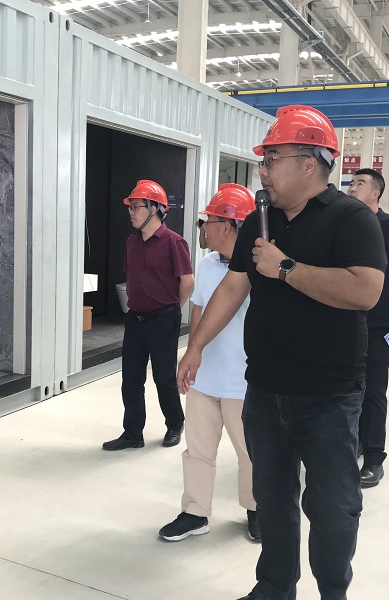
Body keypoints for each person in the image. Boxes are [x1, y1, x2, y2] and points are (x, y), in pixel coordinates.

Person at [177, 105, 386, 600]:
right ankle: (274, 587)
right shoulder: (259, 220)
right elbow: (234, 286)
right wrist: (195, 345)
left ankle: (333, 592)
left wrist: (286, 268)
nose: (263, 170)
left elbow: (366, 290)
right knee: (271, 499)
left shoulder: (350, 218)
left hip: (329, 396)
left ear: (309, 163)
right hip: (265, 390)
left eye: (272, 159)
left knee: (332, 508)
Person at [159, 184, 259, 543]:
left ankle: (257, 509)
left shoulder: (260, 270)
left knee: (252, 453)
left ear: (228, 226)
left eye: (207, 221)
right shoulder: (207, 263)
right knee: (198, 450)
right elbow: (199, 312)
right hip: (205, 379)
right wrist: (190, 355)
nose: (201, 228)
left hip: (244, 381)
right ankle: (195, 512)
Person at [102, 180, 194, 451]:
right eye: (130, 207)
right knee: (131, 379)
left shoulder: (174, 242)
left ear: (155, 209)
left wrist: (173, 309)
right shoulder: (131, 242)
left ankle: (175, 424)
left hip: (163, 319)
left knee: (164, 378)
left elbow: (187, 281)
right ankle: (133, 433)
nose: (131, 212)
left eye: (136, 207)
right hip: (135, 319)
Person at [347, 169, 389, 488]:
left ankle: (374, 458)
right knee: (349, 388)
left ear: (375, 193)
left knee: (373, 390)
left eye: (359, 184)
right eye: (351, 183)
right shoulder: (345, 223)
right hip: (349, 320)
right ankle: (357, 442)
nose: (352, 188)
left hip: (380, 326)